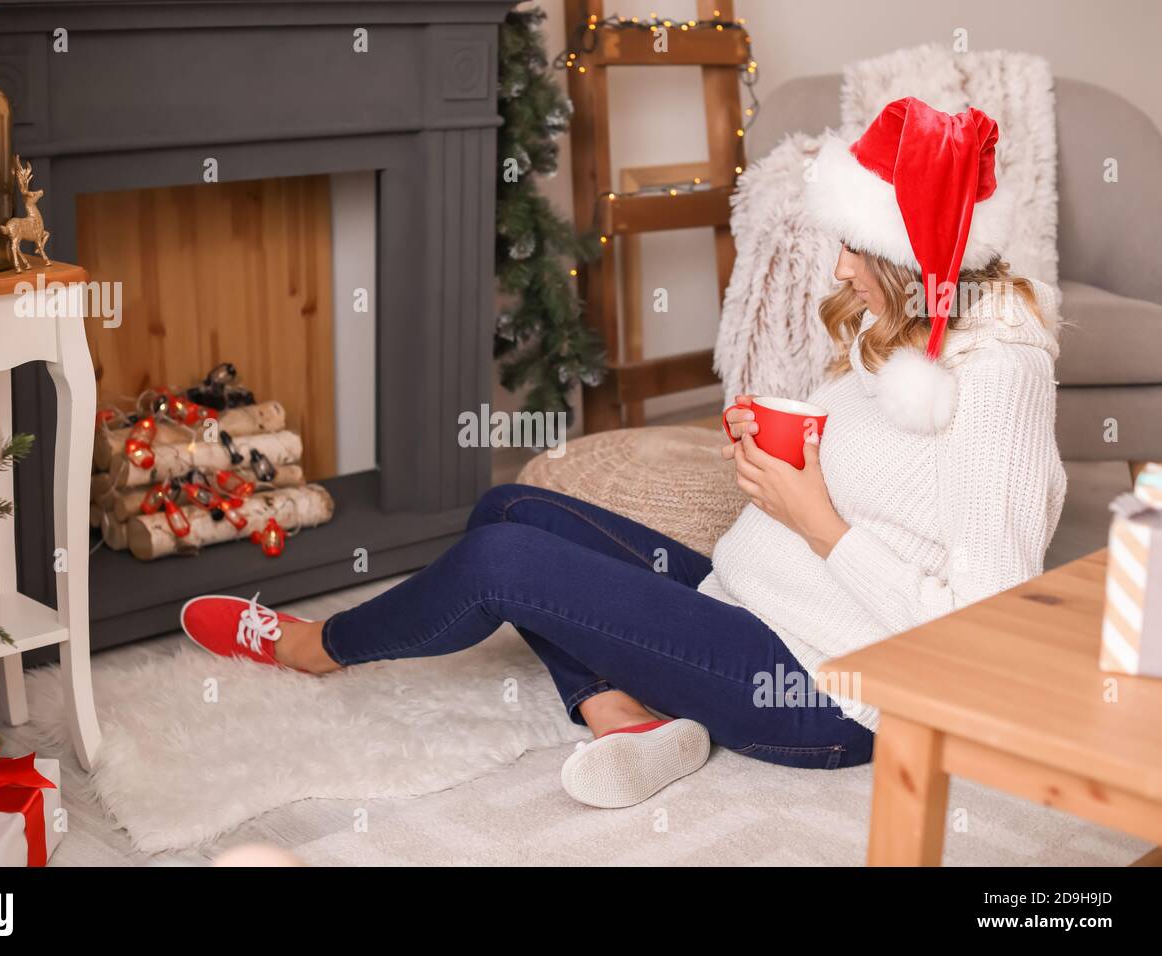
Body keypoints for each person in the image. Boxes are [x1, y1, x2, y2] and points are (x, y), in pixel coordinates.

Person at [181, 97, 1066, 809]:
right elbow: (894, 482)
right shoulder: (910, 329)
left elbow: (985, 624)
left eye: (853, 246)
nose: (836, 269)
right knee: (509, 509)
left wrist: (817, 520)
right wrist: (789, 455)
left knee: (500, 561)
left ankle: (315, 647)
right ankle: (624, 716)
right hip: (745, 599)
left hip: (823, 693)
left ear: (912, 254)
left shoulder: (998, 378)